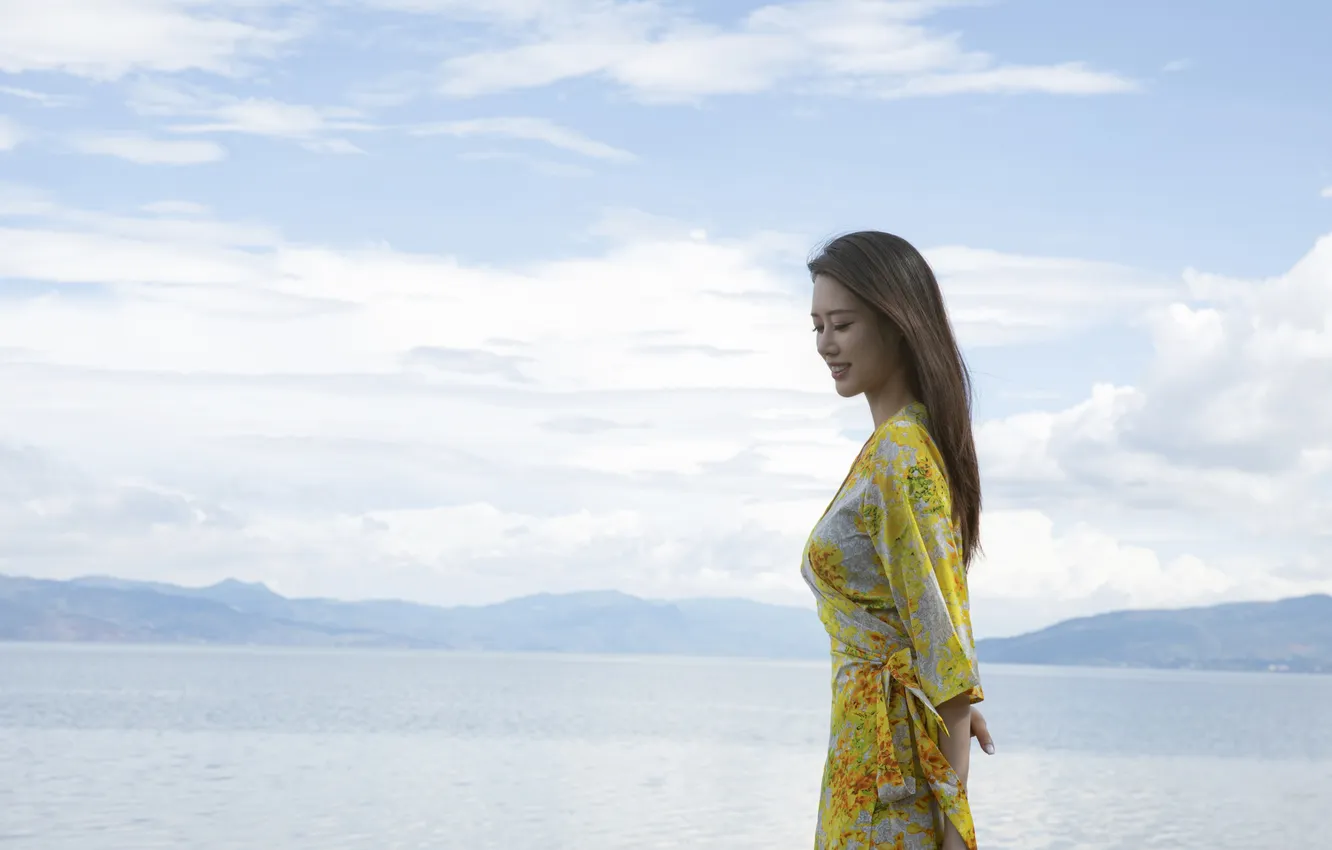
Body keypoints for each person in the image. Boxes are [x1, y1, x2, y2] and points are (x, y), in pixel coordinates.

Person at [801, 231, 991, 850]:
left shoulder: (903, 459)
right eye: (818, 326)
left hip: (893, 795)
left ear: (897, 322)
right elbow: (913, 634)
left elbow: (948, 655)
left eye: (843, 324)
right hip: (867, 760)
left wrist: (951, 824)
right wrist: (920, 701)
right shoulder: (890, 450)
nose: (827, 344)